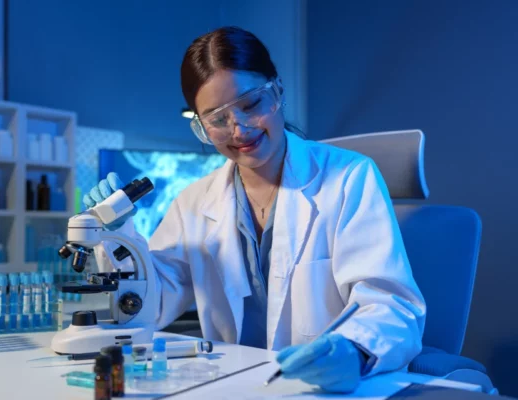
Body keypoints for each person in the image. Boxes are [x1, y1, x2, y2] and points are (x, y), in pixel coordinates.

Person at [84, 26, 426, 393]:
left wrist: (354, 350)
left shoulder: (349, 178)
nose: (240, 128)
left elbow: (391, 305)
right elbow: (152, 305)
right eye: (217, 119)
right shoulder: (194, 202)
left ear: (277, 92)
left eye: (251, 105)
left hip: (327, 390)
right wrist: (118, 238)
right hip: (238, 386)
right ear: (201, 127)